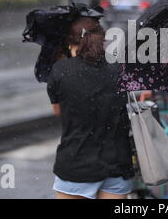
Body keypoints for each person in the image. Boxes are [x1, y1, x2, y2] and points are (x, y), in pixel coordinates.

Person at [47, 12, 134, 199]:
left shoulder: (60, 70)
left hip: (76, 163)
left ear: (70, 42)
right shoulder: (119, 69)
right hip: (117, 163)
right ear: (102, 39)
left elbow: (58, 111)